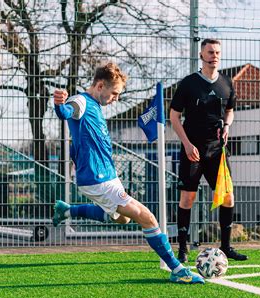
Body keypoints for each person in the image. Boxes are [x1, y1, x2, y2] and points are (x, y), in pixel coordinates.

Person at [52, 62, 204, 284]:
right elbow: (66, 111)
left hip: (107, 178)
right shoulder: (81, 101)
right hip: (97, 180)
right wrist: (59, 104)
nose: (115, 98)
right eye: (114, 93)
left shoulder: (94, 105)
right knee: (147, 217)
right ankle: (178, 270)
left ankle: (67, 211)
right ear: (100, 85)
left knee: (123, 218)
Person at [170, 38, 248, 263]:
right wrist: (186, 143)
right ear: (201, 55)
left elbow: (230, 110)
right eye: (210, 52)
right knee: (187, 198)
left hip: (217, 151)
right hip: (192, 150)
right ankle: (183, 249)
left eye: (218, 52)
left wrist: (227, 126)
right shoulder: (188, 83)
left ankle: (226, 247)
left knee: (228, 197)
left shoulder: (226, 83)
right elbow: (174, 117)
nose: (214, 55)